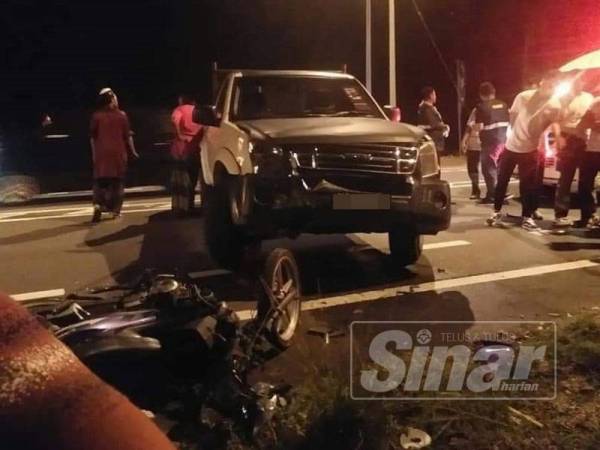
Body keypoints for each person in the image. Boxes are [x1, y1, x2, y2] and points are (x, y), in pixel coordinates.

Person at [487, 73, 562, 231]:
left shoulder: (555, 104)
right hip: (511, 146)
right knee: (502, 180)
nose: (551, 88)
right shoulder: (523, 97)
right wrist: (515, 134)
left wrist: (555, 138)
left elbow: (552, 124)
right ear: (542, 81)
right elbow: (513, 116)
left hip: (531, 149)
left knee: (528, 185)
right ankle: (496, 212)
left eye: (554, 85)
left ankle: (527, 217)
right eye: (549, 83)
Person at [90, 88, 138, 222]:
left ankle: (98, 204)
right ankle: (116, 211)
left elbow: (93, 138)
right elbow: (128, 136)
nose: (117, 100)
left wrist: (94, 154)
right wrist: (133, 151)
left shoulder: (96, 116)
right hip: (118, 153)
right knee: (118, 182)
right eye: (115, 98)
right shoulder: (122, 115)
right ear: (111, 100)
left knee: (100, 182)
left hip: (101, 154)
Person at [552, 76, 594, 228]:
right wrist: (558, 138)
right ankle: (560, 214)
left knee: (586, 180)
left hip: (584, 140)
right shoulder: (562, 99)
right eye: (576, 81)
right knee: (565, 179)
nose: (579, 84)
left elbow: (593, 118)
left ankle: (588, 215)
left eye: (581, 81)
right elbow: (555, 121)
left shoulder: (589, 98)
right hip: (567, 139)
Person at [474, 82, 510, 204]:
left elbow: (479, 126)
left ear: (481, 95)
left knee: (489, 169)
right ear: (493, 92)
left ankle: (493, 195)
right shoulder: (504, 105)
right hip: (505, 141)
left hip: (490, 142)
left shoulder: (481, 107)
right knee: (500, 169)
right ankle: (503, 192)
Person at [170, 94, 202, 216]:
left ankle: (183, 207)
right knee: (193, 178)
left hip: (181, 150)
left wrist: (179, 134)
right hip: (196, 148)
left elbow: (175, 120)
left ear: (181, 100)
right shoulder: (197, 111)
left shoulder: (179, 110)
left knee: (181, 179)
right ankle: (191, 205)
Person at [575, 98, 600, 228]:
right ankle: (587, 217)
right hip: (591, 150)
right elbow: (582, 124)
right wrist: (594, 124)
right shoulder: (595, 103)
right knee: (584, 185)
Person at [417, 86, 450, 158]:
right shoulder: (426, 108)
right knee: (435, 166)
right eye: (434, 94)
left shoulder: (427, 108)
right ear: (430, 96)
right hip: (433, 142)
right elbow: (433, 124)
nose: (435, 96)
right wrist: (445, 126)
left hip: (435, 142)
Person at [461, 107, 482, 199]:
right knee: (472, 168)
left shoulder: (496, 109)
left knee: (492, 168)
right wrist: (464, 140)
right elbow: (469, 126)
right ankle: (475, 189)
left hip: (489, 143)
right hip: (474, 142)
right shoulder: (477, 109)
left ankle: (497, 191)